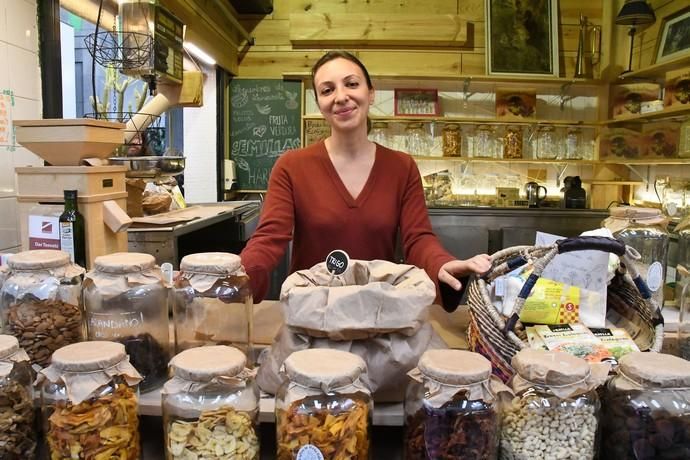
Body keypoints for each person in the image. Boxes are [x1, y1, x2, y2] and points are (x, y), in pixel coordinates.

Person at [240, 50, 491, 307]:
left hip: (377, 312)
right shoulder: (292, 166)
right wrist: (239, 275)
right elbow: (269, 238)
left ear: (371, 93)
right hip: (311, 312)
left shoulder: (401, 167)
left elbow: (418, 239)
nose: (340, 97)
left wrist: (442, 263)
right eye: (327, 90)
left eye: (351, 84)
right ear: (319, 104)